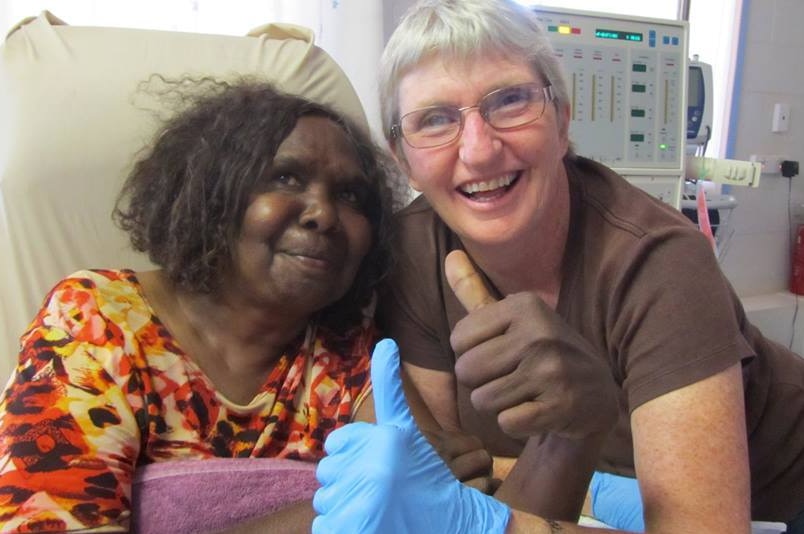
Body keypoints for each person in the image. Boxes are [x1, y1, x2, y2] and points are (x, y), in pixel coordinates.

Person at [317, 0, 804, 533]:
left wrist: (502, 510)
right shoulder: (413, 252)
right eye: (435, 119)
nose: (478, 151)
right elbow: (458, 472)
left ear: (563, 118)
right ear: (400, 155)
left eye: (510, 102)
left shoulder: (659, 264)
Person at [0, 80, 408, 533]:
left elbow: (426, 489)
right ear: (212, 194)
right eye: (286, 177)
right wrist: (327, 512)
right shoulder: (95, 323)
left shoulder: (348, 352)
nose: (324, 214)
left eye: (350, 195)